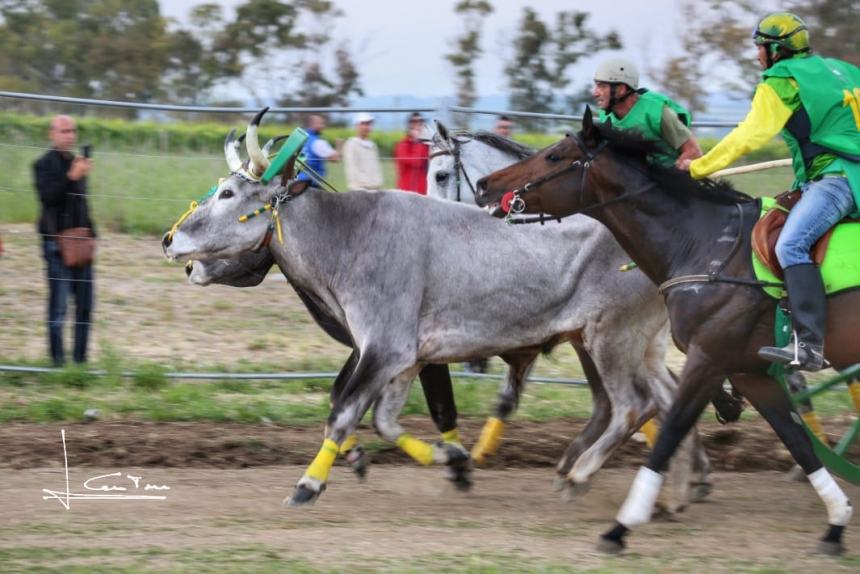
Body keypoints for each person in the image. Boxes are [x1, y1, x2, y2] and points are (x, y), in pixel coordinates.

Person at [678, 12, 860, 372]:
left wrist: (698, 168)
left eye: (761, 47)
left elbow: (750, 135)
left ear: (777, 50)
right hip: (838, 174)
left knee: (790, 244)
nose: (758, 55)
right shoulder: (843, 70)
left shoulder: (782, 82)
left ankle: (808, 344)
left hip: (839, 180)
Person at [33, 115, 96, 365]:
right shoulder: (43, 165)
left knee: (85, 306)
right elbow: (49, 198)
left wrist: (93, 234)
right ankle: (57, 363)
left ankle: (80, 362)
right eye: (63, 131)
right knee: (58, 307)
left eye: (72, 131)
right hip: (55, 243)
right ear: (52, 134)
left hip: (81, 242)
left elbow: (81, 203)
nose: (69, 135)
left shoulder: (77, 163)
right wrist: (71, 176)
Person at [593, 58, 702, 168]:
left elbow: (693, 152)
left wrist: (671, 177)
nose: (595, 93)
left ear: (621, 89)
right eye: (597, 86)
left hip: (667, 175)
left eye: (602, 86)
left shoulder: (657, 112)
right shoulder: (605, 116)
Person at [343, 112, 384, 190]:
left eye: (369, 124)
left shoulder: (373, 145)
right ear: (357, 126)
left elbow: (376, 168)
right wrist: (357, 188)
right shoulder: (352, 144)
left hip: (375, 189)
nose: (366, 127)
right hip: (361, 190)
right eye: (363, 124)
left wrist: (378, 184)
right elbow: (352, 169)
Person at [394, 112, 429, 194]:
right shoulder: (402, 145)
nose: (418, 125)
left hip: (424, 191)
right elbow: (417, 162)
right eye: (414, 122)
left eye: (421, 122)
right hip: (406, 192)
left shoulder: (427, 145)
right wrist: (417, 141)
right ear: (409, 126)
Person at [299, 114, 340, 182]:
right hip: (311, 183)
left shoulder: (303, 139)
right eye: (320, 123)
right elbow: (335, 159)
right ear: (311, 124)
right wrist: (339, 146)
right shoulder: (318, 142)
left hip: (299, 180)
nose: (323, 126)